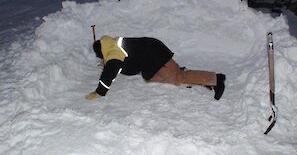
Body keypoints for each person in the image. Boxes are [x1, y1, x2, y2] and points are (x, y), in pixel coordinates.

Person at [85, 35, 226, 100]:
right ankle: (187, 76)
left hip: (155, 56)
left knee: (179, 78)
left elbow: (110, 73)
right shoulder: (111, 44)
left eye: (101, 57)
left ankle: (216, 79)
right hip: (151, 54)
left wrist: (99, 92)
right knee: (156, 78)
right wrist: (107, 62)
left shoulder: (114, 54)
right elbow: (118, 61)